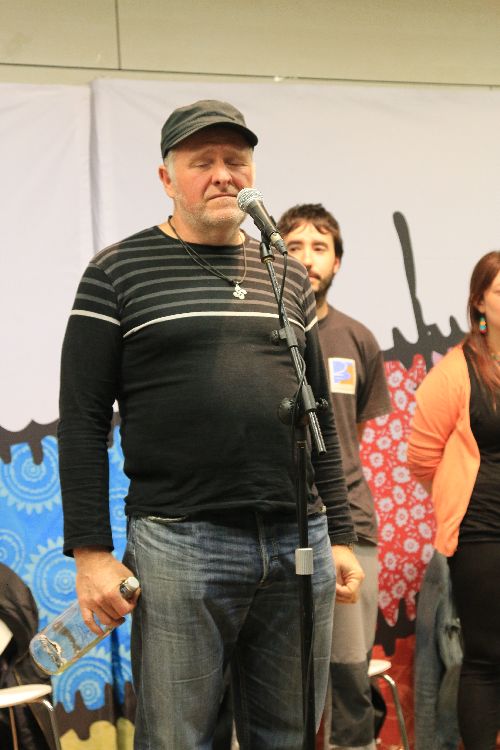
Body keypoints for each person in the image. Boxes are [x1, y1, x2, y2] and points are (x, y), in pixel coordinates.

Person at [58, 100, 364, 750]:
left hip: (297, 539)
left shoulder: (286, 274)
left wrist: (338, 532)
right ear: (167, 179)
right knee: (179, 738)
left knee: (289, 736)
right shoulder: (116, 273)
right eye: (203, 162)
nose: (224, 174)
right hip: (180, 543)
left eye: (236, 160)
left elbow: (317, 416)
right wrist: (91, 552)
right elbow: (82, 420)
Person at [277, 204, 391, 750]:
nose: (306, 259)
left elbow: (351, 437)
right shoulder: (257, 332)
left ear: (337, 261)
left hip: (349, 527)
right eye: (294, 246)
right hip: (274, 528)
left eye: (319, 247)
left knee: (348, 677)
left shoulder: (357, 338)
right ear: (274, 255)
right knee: (271, 678)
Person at [408, 250, 500, 750]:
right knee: (485, 658)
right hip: (483, 530)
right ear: (479, 302)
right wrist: (457, 498)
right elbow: (423, 458)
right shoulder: (456, 371)